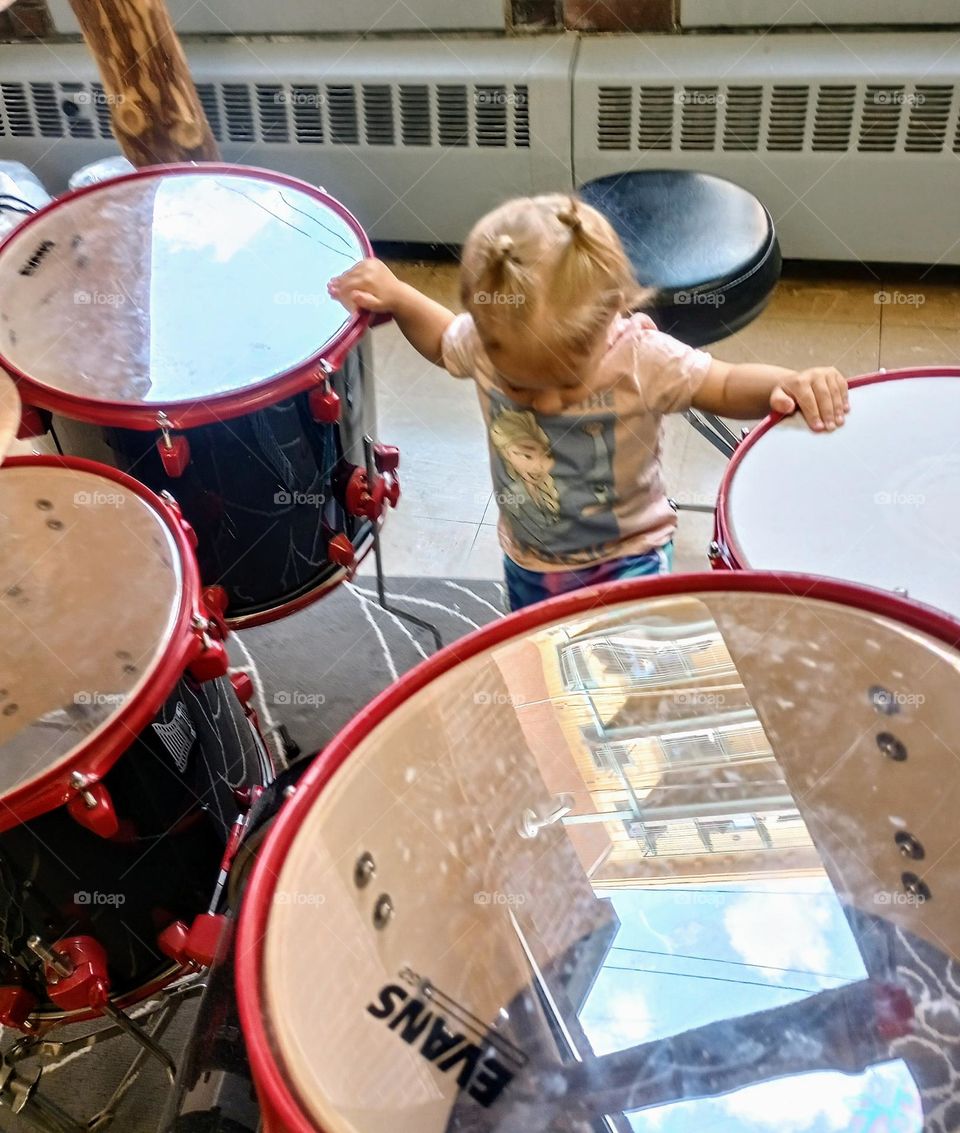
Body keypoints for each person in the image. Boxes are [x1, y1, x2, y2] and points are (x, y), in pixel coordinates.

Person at [329, 194, 848, 611]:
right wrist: (399, 297)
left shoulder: (641, 357)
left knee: (626, 675)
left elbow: (727, 383)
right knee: (542, 656)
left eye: (566, 383)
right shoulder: (488, 340)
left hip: (631, 554)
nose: (547, 403)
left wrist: (789, 383)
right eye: (524, 387)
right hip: (529, 556)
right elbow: (444, 340)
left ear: (613, 318)